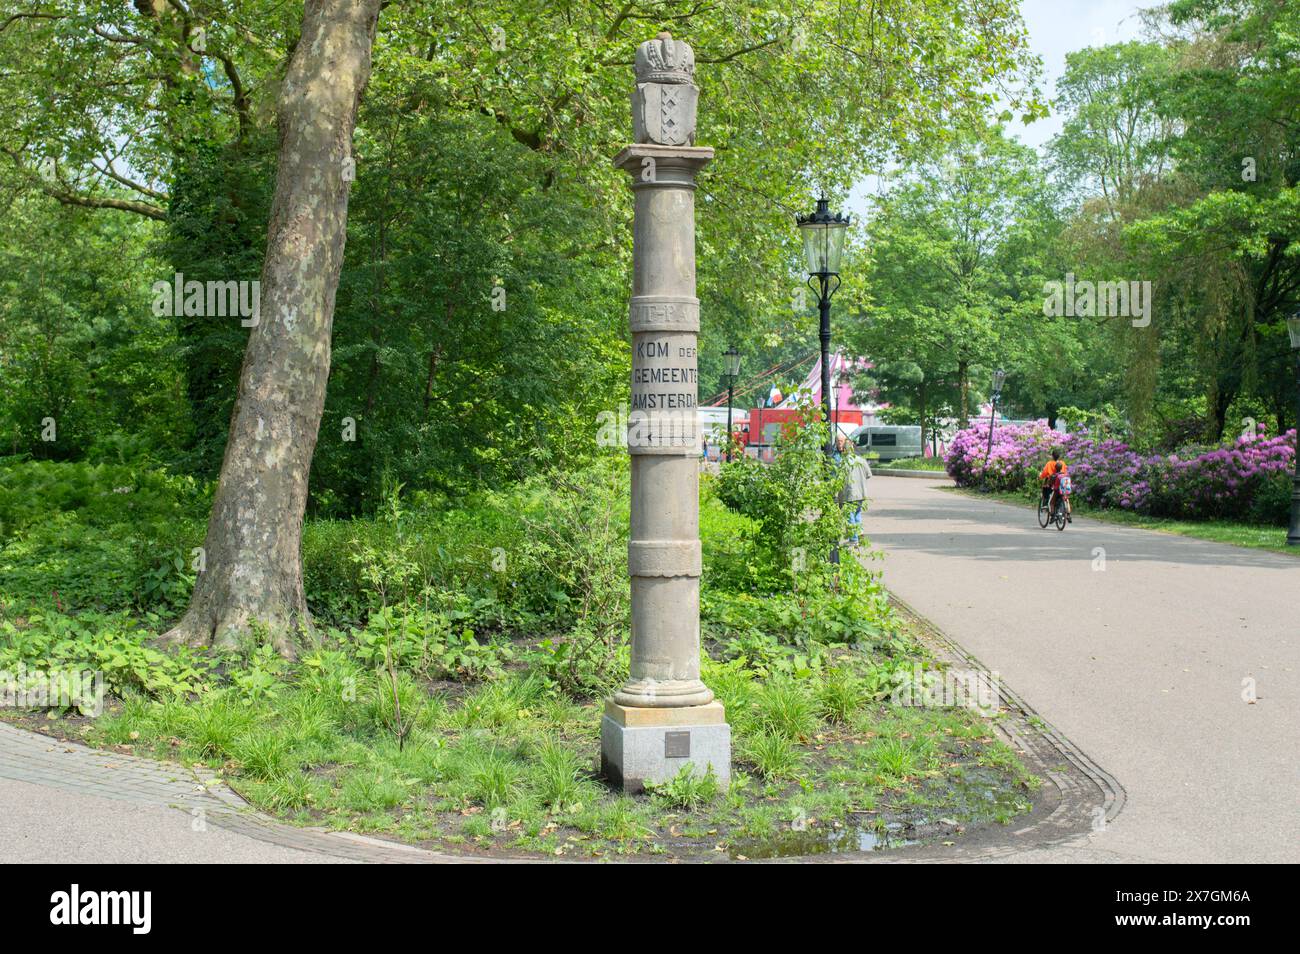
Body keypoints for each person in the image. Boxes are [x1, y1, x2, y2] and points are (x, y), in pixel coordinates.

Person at [837, 435, 872, 543]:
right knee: (857, 513)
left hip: (849, 493)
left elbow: (839, 480)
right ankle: (860, 533)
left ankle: (853, 538)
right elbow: (868, 475)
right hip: (861, 493)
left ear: (844, 450)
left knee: (849, 515)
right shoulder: (861, 460)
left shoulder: (843, 463)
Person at [1039, 447, 1072, 522]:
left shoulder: (1049, 464)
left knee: (1048, 494)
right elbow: (1065, 472)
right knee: (1067, 500)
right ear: (1059, 456)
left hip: (1053, 484)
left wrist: (1040, 477)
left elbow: (1044, 474)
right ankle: (1069, 515)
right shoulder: (1062, 463)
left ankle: (1050, 511)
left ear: (1052, 456)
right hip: (1063, 485)